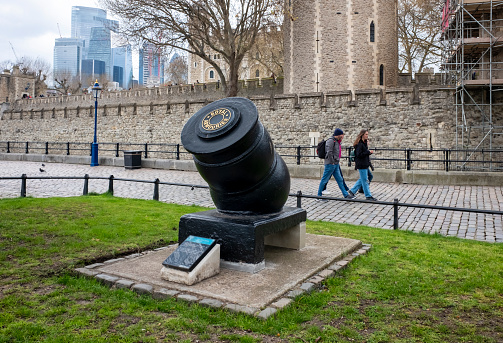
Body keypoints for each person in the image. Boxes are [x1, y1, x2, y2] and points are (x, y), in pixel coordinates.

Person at [317, 128, 355, 200]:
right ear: (338, 135)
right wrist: (332, 161)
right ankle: (318, 196)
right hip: (330, 164)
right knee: (324, 179)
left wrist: (335, 162)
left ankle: (346, 195)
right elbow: (329, 152)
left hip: (335, 164)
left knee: (340, 179)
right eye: (342, 134)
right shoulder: (331, 141)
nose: (343, 136)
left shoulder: (337, 141)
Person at [349, 130, 377, 201]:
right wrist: (367, 152)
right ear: (362, 135)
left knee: (368, 176)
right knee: (364, 180)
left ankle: (353, 191)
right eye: (366, 134)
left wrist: (368, 152)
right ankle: (368, 195)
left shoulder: (364, 143)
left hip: (365, 163)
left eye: (367, 134)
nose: (367, 136)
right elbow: (359, 154)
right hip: (361, 164)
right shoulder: (360, 144)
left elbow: (364, 153)